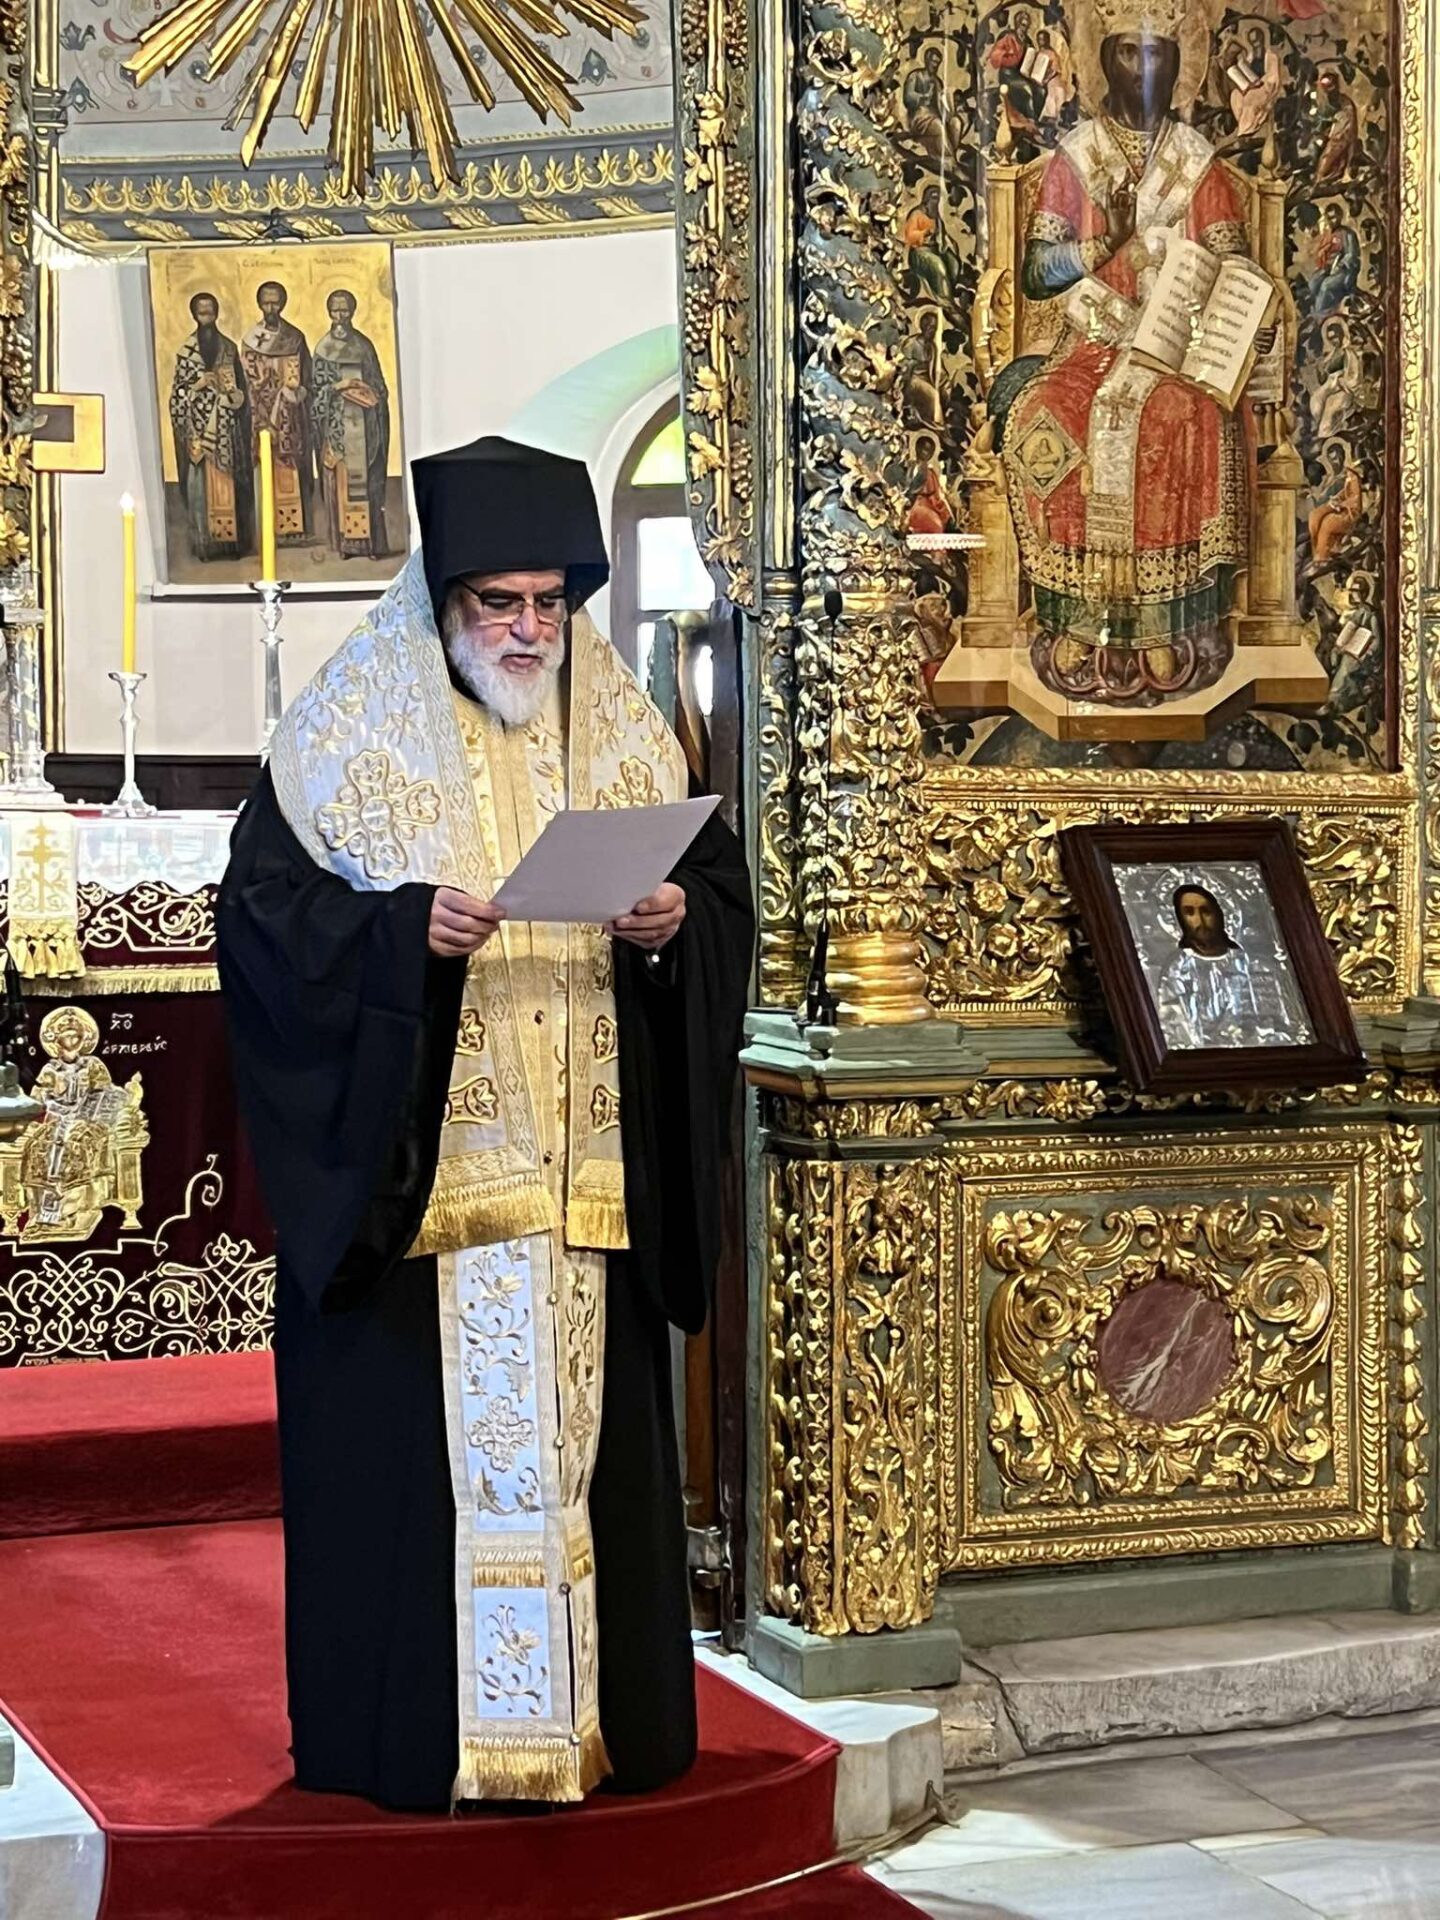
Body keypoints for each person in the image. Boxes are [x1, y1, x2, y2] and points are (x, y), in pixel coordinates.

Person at [217, 436, 753, 1813]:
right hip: (424, 1202)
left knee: (592, 1463)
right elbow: (265, 931)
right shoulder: (343, 731)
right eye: (497, 603)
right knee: (414, 1483)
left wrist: (673, 925)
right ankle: (415, 1742)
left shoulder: (626, 729)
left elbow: (719, 898)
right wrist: (402, 936)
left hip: (583, 1191)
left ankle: (602, 1723)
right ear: (442, 598)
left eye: (548, 604)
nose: (527, 630)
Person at [998, 8, 1275, 705]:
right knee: (1043, 411)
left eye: (1158, 55)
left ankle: (1169, 622)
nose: (1144, 70)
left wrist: (1244, 315)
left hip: (1176, 352)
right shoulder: (1078, 156)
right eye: (1128, 53)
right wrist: (1106, 241)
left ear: (1179, 65)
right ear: (1104, 61)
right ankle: (1076, 617)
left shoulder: (1196, 161)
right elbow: (1037, 274)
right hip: (1088, 344)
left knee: (1185, 417)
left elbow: (1232, 263)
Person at [1156, 883, 1311, 1049]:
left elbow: (1289, 1026)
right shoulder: (1177, 970)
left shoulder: (1256, 967)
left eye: (1206, 911)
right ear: (1180, 919)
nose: (1200, 920)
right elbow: (1174, 1030)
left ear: (1221, 913)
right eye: (1189, 913)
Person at [168, 291, 252, 563]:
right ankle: (205, 544)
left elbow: (242, 390)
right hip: (198, 431)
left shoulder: (228, 348)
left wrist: (235, 397)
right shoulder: (187, 352)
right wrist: (197, 384)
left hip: (226, 429)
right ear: (195, 315)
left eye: (211, 312)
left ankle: (230, 546)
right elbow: (176, 396)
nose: (207, 318)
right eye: (202, 313)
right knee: (201, 489)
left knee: (227, 485)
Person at [311, 289, 391, 561]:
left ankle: (370, 545)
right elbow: (316, 394)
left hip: (365, 429)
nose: (340, 315)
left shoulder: (364, 346)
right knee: (343, 486)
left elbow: (380, 385)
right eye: (335, 310)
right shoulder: (322, 349)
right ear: (328, 312)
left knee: (367, 484)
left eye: (344, 309)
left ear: (353, 311)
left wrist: (370, 393)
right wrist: (339, 386)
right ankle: (347, 544)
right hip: (337, 430)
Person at [241, 281, 315, 550]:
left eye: (276, 302)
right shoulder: (251, 340)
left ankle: (296, 531)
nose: (271, 308)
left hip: (291, 417)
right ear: (259, 304)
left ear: (283, 303)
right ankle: (268, 529)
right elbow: (247, 381)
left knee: (293, 468)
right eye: (266, 302)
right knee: (265, 470)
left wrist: (299, 392)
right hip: (261, 416)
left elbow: (307, 376)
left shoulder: (295, 337)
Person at [1309, 204, 1360, 316]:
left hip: (1344, 271)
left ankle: (1320, 314)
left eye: (1333, 217)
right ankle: (1313, 311)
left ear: (1340, 216)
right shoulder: (1329, 234)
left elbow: (1352, 256)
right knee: (1313, 282)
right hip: (1329, 269)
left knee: (1326, 285)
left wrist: (1340, 265)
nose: (1332, 221)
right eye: (1329, 218)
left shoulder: (1348, 234)